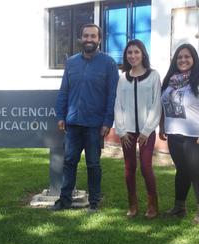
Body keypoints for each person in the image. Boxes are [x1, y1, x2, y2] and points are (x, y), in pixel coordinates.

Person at [52, 23, 119, 212]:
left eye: (93, 36)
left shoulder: (109, 63)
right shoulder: (72, 62)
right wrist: (60, 115)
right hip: (73, 123)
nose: (89, 39)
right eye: (86, 36)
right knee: (69, 162)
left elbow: (112, 95)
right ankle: (64, 200)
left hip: (94, 125)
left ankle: (95, 202)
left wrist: (107, 121)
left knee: (93, 164)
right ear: (81, 38)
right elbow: (64, 90)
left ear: (99, 39)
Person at [160, 43, 199, 224]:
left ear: (194, 58)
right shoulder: (171, 79)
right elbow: (164, 104)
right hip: (174, 133)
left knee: (196, 170)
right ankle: (179, 207)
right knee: (182, 170)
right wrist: (162, 126)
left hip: (197, 135)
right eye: (179, 57)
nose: (183, 60)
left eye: (187, 56)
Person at [114, 40, 162, 219]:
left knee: (146, 167)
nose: (133, 56)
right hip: (127, 131)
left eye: (136, 52)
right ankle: (132, 204)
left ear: (143, 54)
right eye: (129, 53)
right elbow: (118, 104)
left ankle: (152, 205)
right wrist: (121, 130)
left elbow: (156, 104)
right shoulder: (123, 77)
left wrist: (147, 130)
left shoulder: (153, 75)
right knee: (129, 167)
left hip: (145, 131)